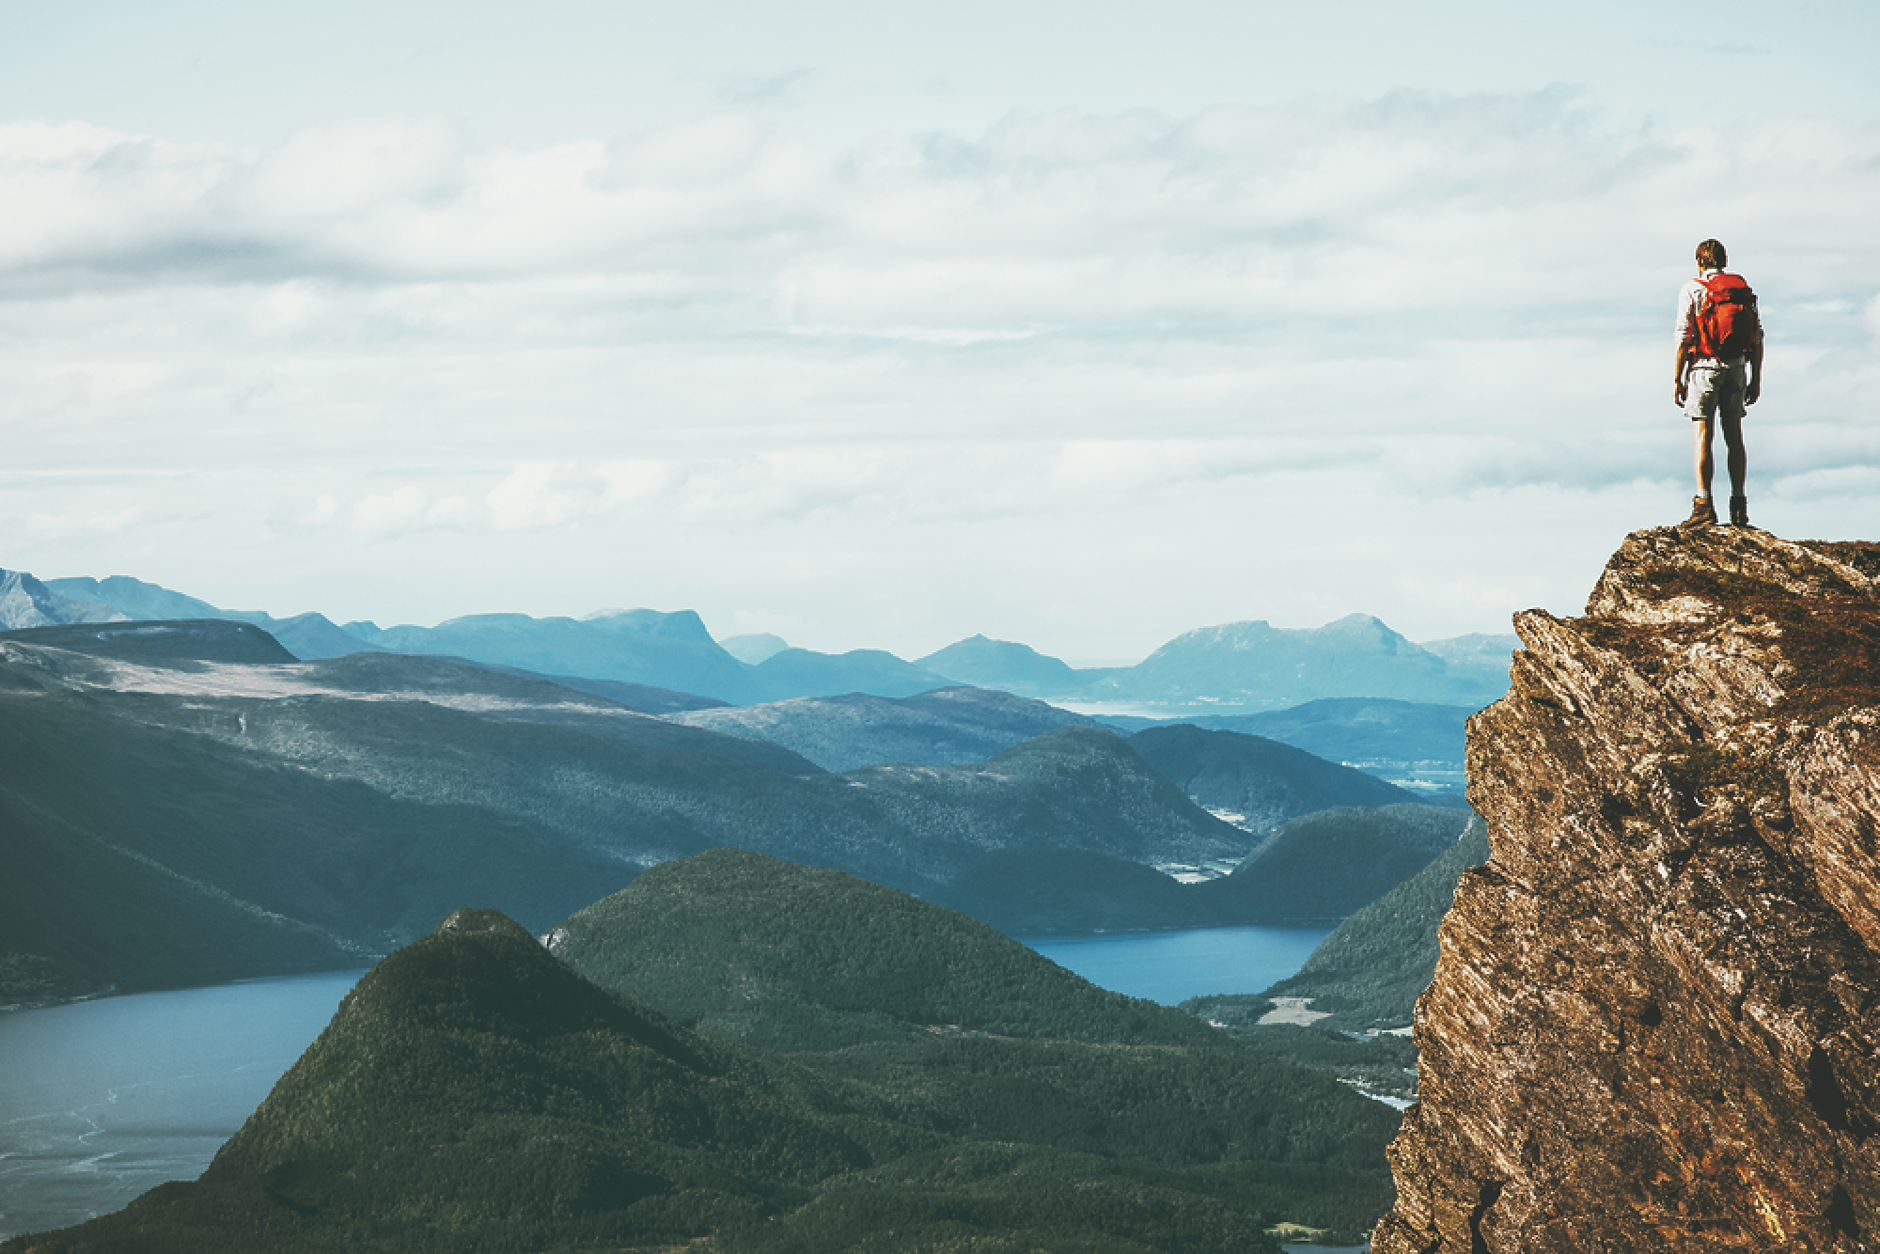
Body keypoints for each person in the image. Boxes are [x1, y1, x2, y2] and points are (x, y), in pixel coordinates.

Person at [1673, 238, 1763, 529]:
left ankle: (1703, 506)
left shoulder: (1692, 289)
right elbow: (1758, 338)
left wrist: (1678, 379)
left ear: (1700, 261)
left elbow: (1683, 338)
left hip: (1704, 369)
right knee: (1734, 438)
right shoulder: (1742, 292)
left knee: (1703, 436)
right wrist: (1755, 378)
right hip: (1737, 369)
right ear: (1724, 261)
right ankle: (1739, 508)